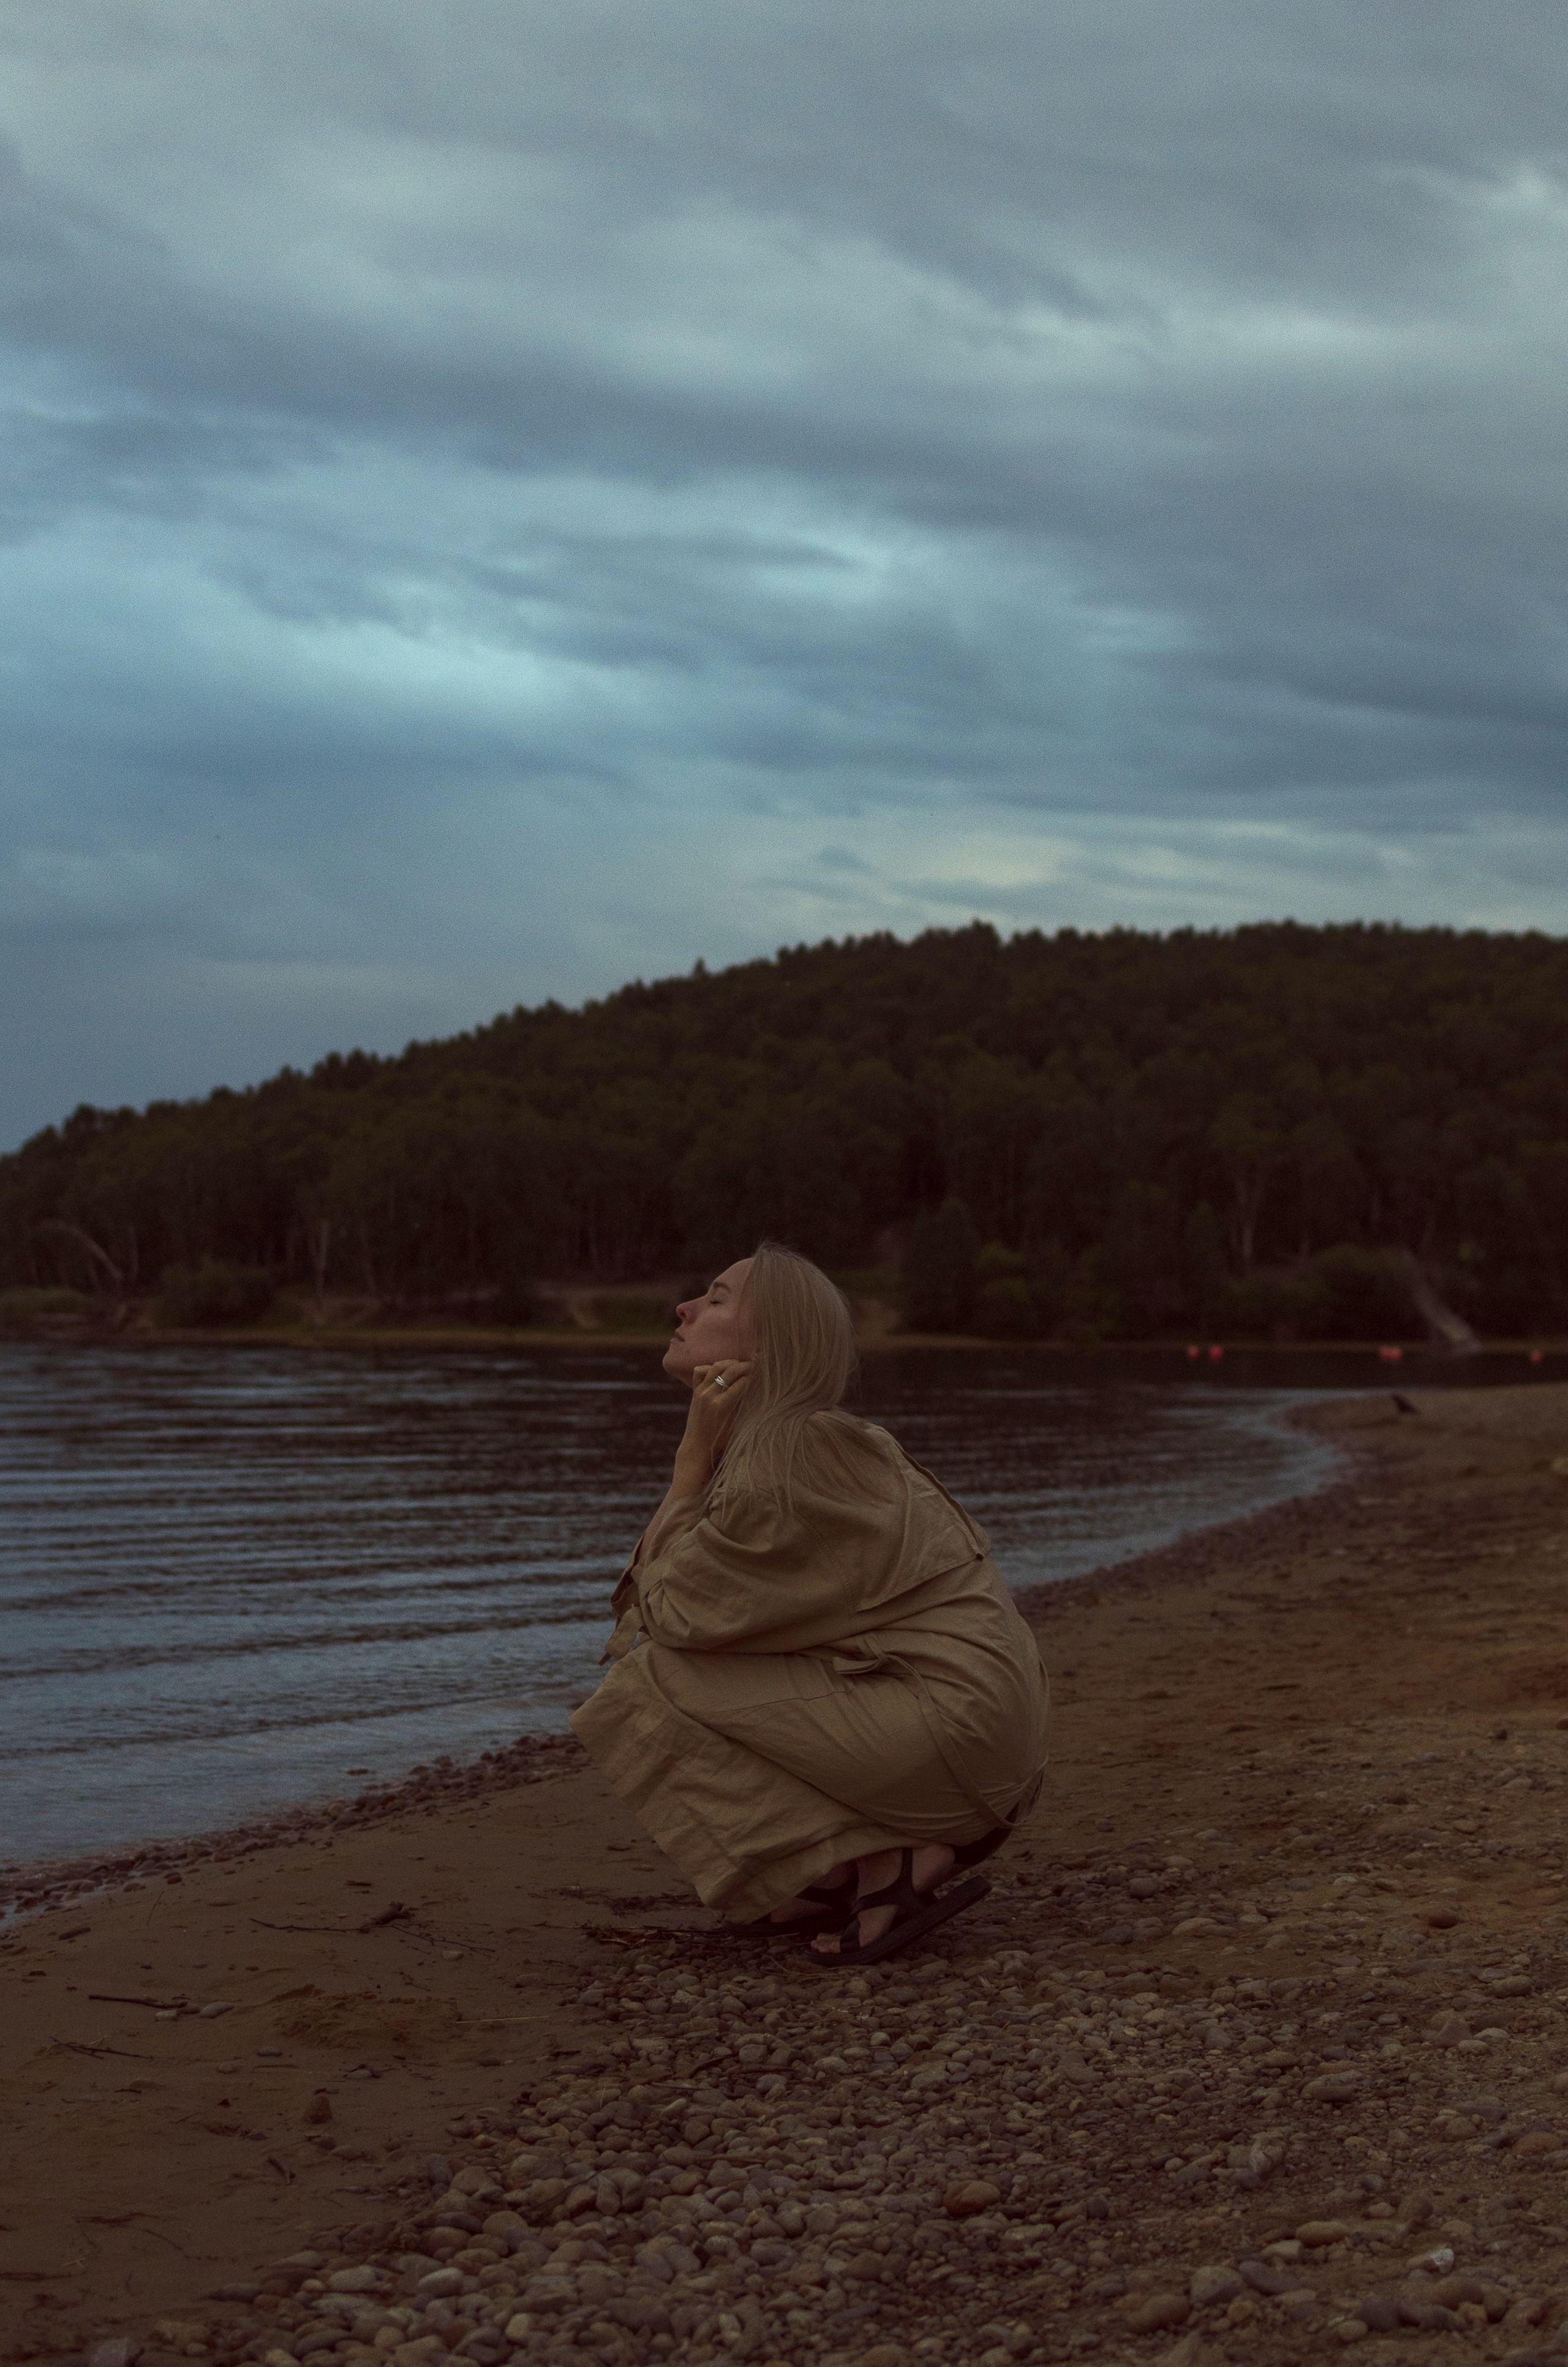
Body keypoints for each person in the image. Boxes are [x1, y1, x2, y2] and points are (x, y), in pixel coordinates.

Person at [570, 1242, 1051, 1966]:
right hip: (983, 1740)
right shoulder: (818, 1442)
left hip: (956, 1742)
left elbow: (666, 1612)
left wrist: (688, 1466)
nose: (686, 1308)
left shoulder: (783, 1458)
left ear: (771, 1342)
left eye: (718, 1297)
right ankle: (857, 1866)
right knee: (704, 1655)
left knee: (652, 1678)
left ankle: (877, 1866)